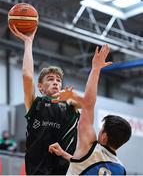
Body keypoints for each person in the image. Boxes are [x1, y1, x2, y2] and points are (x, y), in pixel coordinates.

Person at [9, 25, 84, 175]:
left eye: (58, 80)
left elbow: (87, 103)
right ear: (41, 87)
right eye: (50, 79)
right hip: (37, 171)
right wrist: (28, 42)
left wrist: (71, 95)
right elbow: (27, 76)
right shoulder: (35, 103)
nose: (56, 82)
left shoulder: (70, 105)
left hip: (65, 172)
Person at [49, 44, 132, 175]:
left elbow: (88, 104)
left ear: (104, 136)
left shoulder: (90, 148)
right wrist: (64, 154)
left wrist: (95, 69)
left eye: (102, 129)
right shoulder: (121, 170)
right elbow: (86, 164)